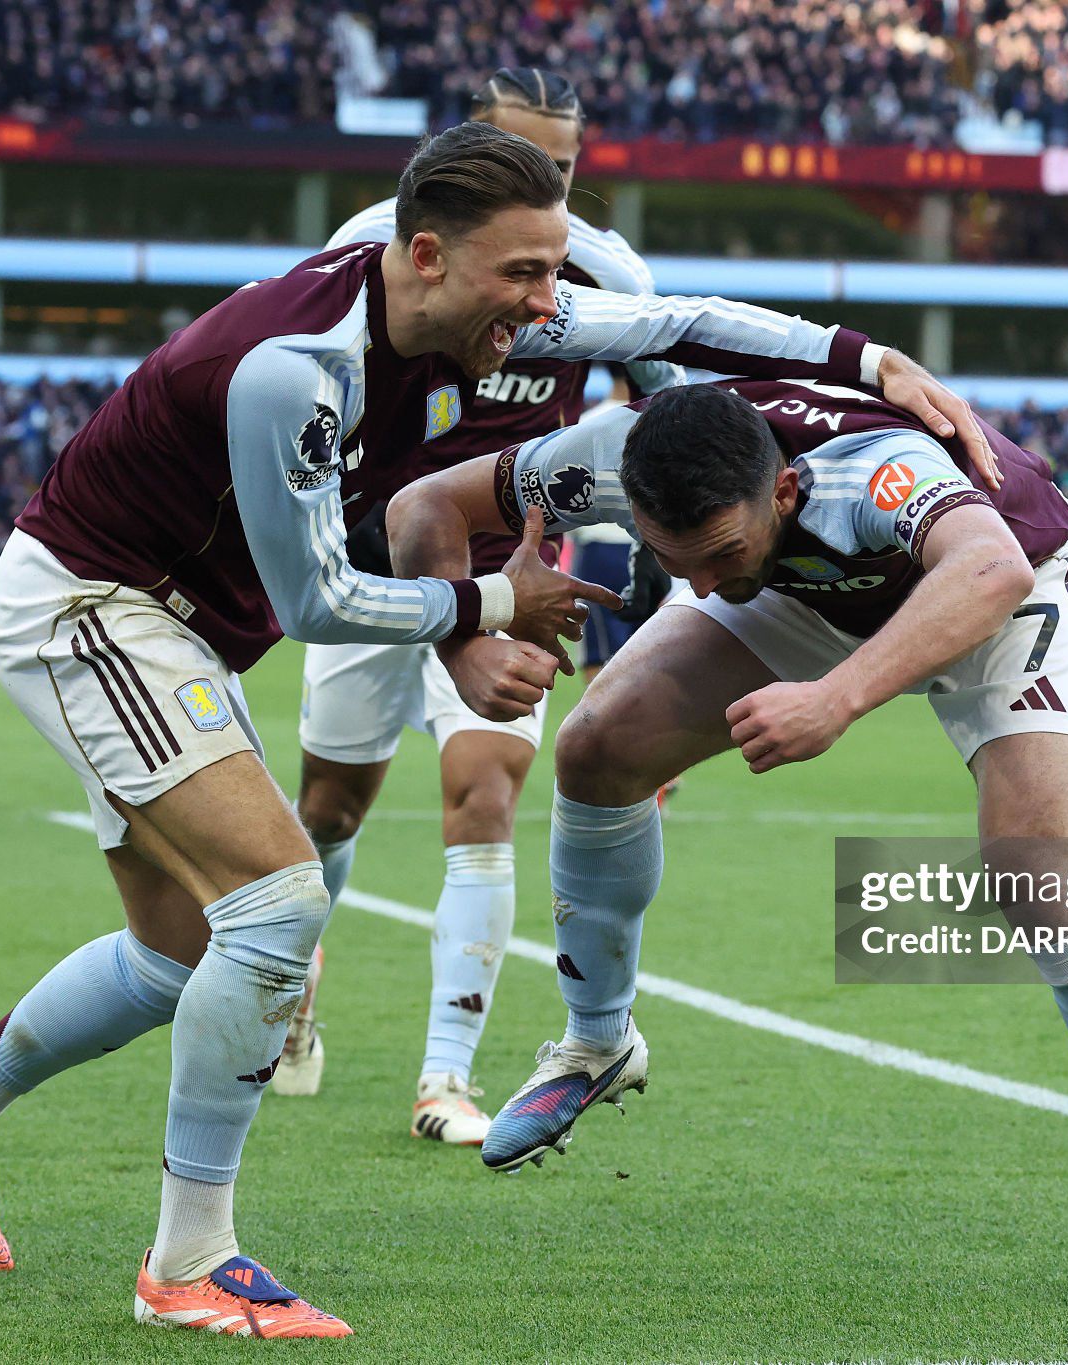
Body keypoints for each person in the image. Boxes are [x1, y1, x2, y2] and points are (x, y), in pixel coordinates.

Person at [0, 119, 991, 1341]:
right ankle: (188, 1262)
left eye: (555, 271)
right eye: (523, 275)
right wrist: (495, 603)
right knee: (280, 901)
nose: (548, 305)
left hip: (177, 630)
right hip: (94, 609)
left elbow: (668, 324)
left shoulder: (479, 313)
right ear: (430, 254)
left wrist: (868, 360)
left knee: (175, 952)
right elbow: (315, 603)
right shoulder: (298, 365)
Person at [388, 380, 1068, 1307]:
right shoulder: (606, 459)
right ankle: (596, 1043)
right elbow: (422, 506)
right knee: (595, 746)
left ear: (782, 490)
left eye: (716, 554)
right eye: (674, 562)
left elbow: (991, 572)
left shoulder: (870, 470)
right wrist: (464, 642)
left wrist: (836, 698)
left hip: (1000, 584)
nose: (697, 585)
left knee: (1037, 871)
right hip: (802, 586)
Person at [276, 67, 686, 1148]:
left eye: (561, 166)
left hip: (512, 577)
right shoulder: (374, 244)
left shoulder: (603, 274)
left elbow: (669, 435)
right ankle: (291, 991)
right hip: (374, 569)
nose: (544, 181)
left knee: (486, 801)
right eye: (522, 157)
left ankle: (443, 1080)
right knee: (328, 811)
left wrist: (646, 638)